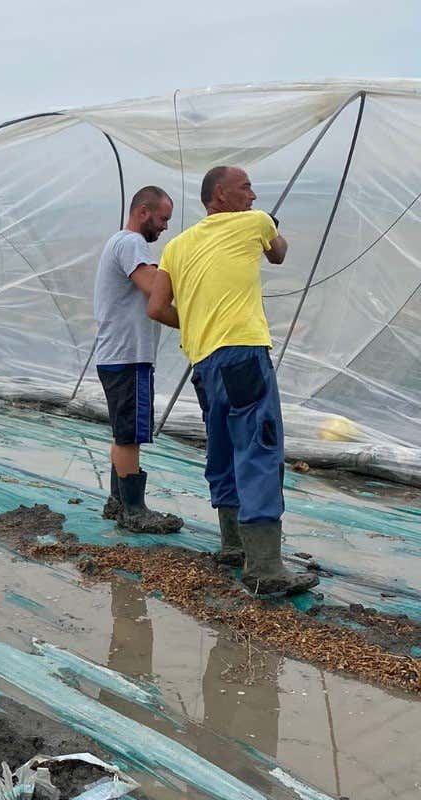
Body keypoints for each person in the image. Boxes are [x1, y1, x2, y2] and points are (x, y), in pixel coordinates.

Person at [146, 166, 318, 595]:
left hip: (204, 364)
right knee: (259, 448)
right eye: (246, 188)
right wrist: (272, 228)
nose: (254, 195)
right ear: (219, 194)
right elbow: (278, 253)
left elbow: (156, 307)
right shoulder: (253, 223)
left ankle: (233, 544)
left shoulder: (177, 246)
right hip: (243, 353)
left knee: (222, 445)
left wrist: (196, 325)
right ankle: (265, 568)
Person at [93, 186, 183, 534]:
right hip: (129, 355)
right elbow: (152, 287)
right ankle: (134, 510)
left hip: (116, 354)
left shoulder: (118, 243)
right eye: (162, 219)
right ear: (143, 211)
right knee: (129, 433)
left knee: (122, 430)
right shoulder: (131, 244)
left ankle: (118, 502)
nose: (164, 227)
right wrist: (186, 266)